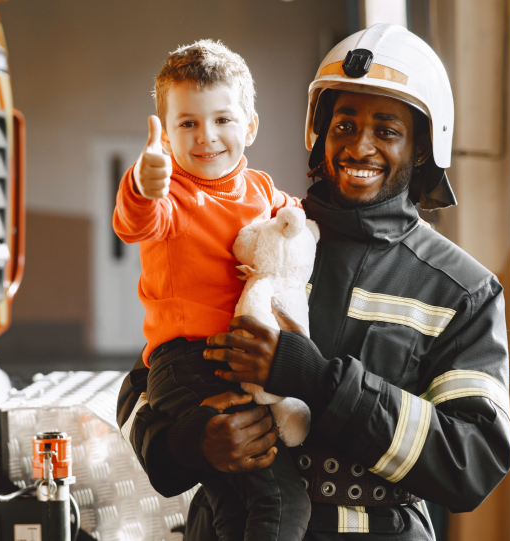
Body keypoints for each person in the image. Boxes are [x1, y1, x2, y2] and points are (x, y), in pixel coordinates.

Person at [117, 24, 510, 539]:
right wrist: (188, 445)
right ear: (319, 133)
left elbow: (472, 462)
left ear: (421, 148)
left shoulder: (461, 289)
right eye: (344, 126)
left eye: (388, 131)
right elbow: (148, 378)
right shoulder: (263, 236)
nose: (360, 147)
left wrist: (319, 381)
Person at [112, 39, 311, 540]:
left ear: (251, 125)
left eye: (222, 120)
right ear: (168, 135)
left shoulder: (262, 190)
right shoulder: (170, 194)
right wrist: (141, 181)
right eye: (187, 124)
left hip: (242, 362)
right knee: (283, 499)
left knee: (234, 504)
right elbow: (135, 221)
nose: (207, 137)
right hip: (188, 365)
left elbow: (303, 225)